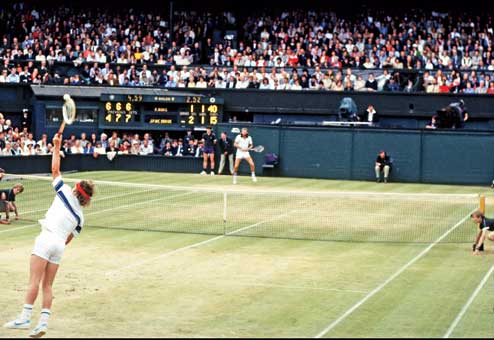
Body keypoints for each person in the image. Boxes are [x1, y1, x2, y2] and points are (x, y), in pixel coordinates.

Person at [3, 132, 95, 338]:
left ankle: (25, 317)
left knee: (33, 281)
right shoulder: (81, 218)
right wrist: (58, 243)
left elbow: (54, 169)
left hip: (46, 239)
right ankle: (43, 323)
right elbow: (69, 239)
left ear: (77, 190)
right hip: (59, 246)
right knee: (48, 285)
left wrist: (56, 145)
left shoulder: (64, 192)